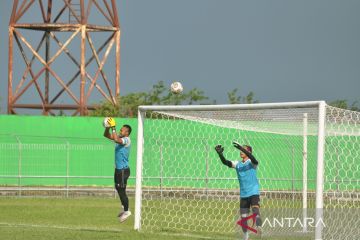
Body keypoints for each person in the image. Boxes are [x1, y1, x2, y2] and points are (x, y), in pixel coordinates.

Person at [215, 142, 262, 240]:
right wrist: (220, 154)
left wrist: (241, 147)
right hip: (244, 195)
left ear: (249, 152)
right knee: (243, 218)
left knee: (255, 210)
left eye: (243, 150)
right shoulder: (238, 164)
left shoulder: (253, 163)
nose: (241, 151)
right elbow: (226, 162)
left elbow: (253, 158)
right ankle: (246, 237)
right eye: (241, 150)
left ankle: (259, 227)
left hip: (253, 192)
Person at [103, 118, 132, 223]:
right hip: (118, 170)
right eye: (120, 129)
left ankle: (127, 211)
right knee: (118, 188)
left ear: (127, 133)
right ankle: (124, 207)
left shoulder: (127, 140)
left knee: (122, 190)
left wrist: (113, 127)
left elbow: (116, 140)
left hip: (123, 170)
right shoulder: (120, 137)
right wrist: (108, 128)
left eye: (123, 130)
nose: (120, 130)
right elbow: (107, 135)